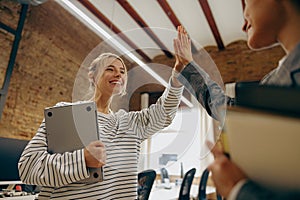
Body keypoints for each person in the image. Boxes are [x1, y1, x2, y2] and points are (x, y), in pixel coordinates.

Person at [173, 0, 300, 199]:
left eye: (246, 3)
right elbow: (227, 108)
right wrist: (188, 68)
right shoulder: (276, 78)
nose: (243, 24)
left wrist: (237, 189)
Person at [18, 52, 184, 199]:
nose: (118, 74)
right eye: (110, 69)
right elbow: (28, 167)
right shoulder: (65, 113)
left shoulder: (131, 123)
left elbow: (164, 112)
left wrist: (178, 75)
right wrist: (82, 159)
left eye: (122, 71)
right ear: (92, 76)